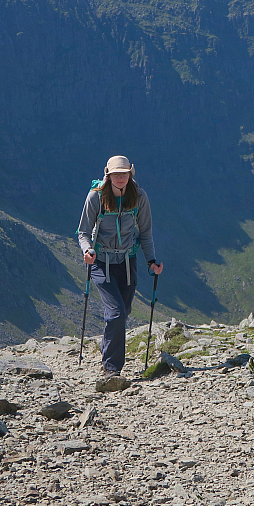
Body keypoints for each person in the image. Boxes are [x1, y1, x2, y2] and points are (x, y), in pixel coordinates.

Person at [77, 155, 162, 385]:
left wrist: (151, 261)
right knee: (116, 313)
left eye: (124, 173)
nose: (121, 178)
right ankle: (112, 369)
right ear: (108, 175)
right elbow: (83, 232)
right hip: (100, 262)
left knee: (122, 313)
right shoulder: (96, 196)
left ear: (130, 174)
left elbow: (145, 232)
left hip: (127, 262)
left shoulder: (139, 197)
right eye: (116, 174)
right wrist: (87, 250)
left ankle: (107, 350)